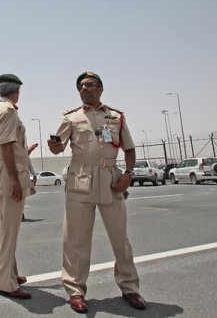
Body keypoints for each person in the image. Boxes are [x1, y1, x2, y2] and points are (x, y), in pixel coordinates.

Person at [47, 71, 146, 313]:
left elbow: (129, 149)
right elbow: (57, 148)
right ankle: (75, 290)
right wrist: (55, 146)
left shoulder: (116, 116)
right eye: (81, 86)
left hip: (111, 181)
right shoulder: (71, 118)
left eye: (90, 85)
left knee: (120, 238)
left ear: (101, 89)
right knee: (75, 240)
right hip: (80, 180)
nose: (84, 89)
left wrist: (128, 174)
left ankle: (130, 287)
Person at [0, 74, 36, 300]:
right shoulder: (8, 112)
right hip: (9, 174)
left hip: (3, 170)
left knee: (7, 227)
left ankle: (10, 274)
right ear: (17, 91)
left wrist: (26, 152)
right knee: (9, 231)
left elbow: (8, 146)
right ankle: (6, 282)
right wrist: (15, 179)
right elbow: (6, 145)